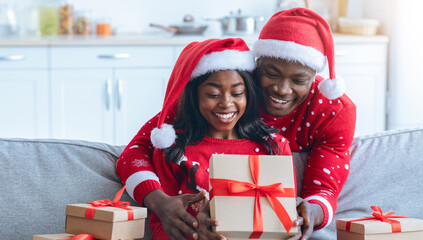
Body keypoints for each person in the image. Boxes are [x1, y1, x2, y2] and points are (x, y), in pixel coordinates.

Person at [117, 8, 356, 240]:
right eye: (271, 74)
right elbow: (140, 148)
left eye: (299, 79)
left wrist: (311, 212)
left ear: (314, 76)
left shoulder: (332, 112)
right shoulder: (229, 78)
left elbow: (324, 185)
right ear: (256, 65)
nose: (281, 89)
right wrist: (160, 203)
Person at [146, 38, 293, 239]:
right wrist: (196, 231)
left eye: (237, 93)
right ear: (195, 96)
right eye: (213, 94)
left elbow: (282, 217)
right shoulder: (173, 148)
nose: (226, 103)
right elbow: (161, 227)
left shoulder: (274, 146)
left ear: (248, 95)